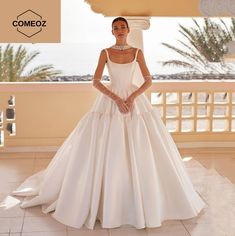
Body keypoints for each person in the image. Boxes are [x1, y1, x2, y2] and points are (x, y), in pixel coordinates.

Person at [12, 17, 206, 230]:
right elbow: (95, 81)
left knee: (140, 147)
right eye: (116, 28)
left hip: (134, 101)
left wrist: (131, 98)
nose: (120, 30)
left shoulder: (137, 53)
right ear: (112, 31)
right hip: (111, 100)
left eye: (123, 27)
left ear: (128, 29)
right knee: (108, 148)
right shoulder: (105, 53)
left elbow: (149, 80)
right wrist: (116, 99)